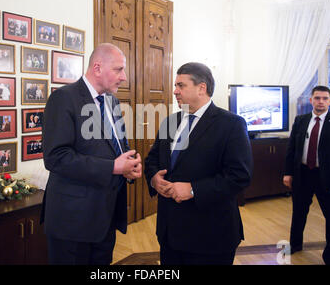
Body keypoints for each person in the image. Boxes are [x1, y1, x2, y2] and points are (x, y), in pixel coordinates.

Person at [42, 43, 142, 265]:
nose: (124, 77)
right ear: (97, 68)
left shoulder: (112, 101)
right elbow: (56, 157)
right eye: (118, 69)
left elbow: (119, 145)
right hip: (73, 221)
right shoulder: (63, 99)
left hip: (105, 216)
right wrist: (114, 168)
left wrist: (130, 165)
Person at [144, 62, 253, 265]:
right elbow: (152, 160)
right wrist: (154, 180)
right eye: (175, 86)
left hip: (210, 236)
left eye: (181, 85)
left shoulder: (231, 125)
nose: (175, 91)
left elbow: (239, 176)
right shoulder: (170, 122)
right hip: (169, 233)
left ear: (201, 88)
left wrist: (193, 189)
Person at [283, 85, 330, 265]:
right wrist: (288, 172)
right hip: (303, 175)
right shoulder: (300, 120)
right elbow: (292, 150)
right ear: (311, 100)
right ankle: (295, 244)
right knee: (298, 213)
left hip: (328, 178)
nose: (320, 101)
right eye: (317, 98)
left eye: (324, 98)